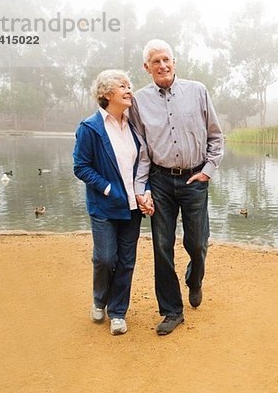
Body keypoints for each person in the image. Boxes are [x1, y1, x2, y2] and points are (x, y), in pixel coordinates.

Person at [130, 39, 224, 336]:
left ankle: (195, 279)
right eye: (155, 61)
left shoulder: (197, 91)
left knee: (197, 243)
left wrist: (208, 171)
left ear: (175, 62)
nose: (162, 65)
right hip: (159, 181)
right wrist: (141, 187)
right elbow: (142, 149)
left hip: (194, 178)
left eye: (166, 59)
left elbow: (216, 136)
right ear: (147, 68)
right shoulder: (139, 102)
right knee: (161, 246)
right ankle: (172, 310)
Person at [73, 69, 153, 336]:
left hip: (132, 206)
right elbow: (81, 167)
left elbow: (143, 164)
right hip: (104, 207)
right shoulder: (90, 128)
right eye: (123, 86)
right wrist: (108, 188)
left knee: (126, 261)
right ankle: (99, 299)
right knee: (106, 258)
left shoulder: (134, 126)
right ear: (107, 94)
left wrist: (146, 191)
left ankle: (118, 312)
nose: (130, 90)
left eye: (129, 85)